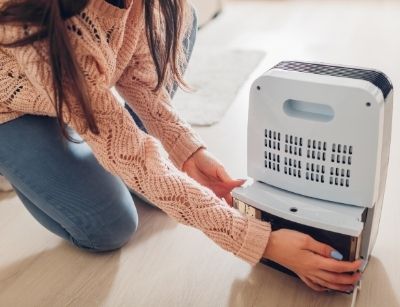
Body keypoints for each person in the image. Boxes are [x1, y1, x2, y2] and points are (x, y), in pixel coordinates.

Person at [0, 0, 362, 293]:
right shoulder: (33, 22)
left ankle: (90, 133)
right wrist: (258, 241)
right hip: (12, 107)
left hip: (77, 92)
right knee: (109, 227)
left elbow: (138, 80)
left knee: (179, 16)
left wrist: (188, 152)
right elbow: (135, 158)